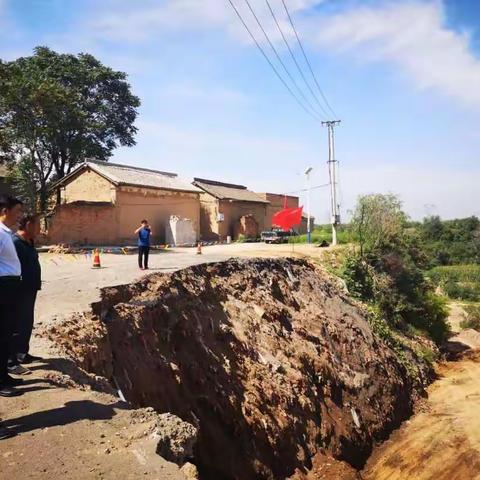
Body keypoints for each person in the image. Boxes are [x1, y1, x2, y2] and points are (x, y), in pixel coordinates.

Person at [0, 195, 24, 440]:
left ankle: (2, 376)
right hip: (2, 288)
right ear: (4, 210)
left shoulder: (5, 233)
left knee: (5, 338)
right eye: (17, 211)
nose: (20, 216)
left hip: (7, 287)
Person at [7, 214, 42, 376]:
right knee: (16, 325)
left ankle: (22, 353)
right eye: (38, 225)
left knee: (27, 323)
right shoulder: (15, 243)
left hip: (30, 289)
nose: (40, 229)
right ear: (28, 225)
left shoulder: (29, 241)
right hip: (19, 291)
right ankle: (11, 361)